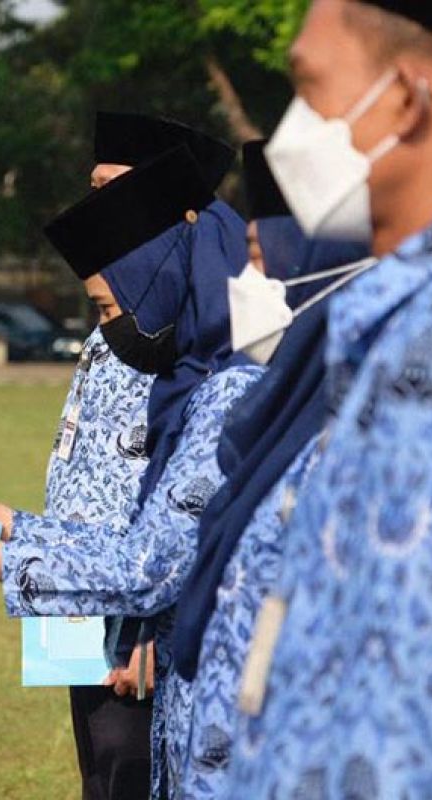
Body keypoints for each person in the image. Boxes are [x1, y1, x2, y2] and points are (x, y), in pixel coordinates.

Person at [219, 3, 432, 797]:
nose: (294, 129)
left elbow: (422, 757)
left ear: (405, 100)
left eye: (310, 85)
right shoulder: (422, 321)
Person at [0, 141, 262, 798]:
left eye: (108, 309)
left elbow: (145, 568)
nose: (111, 330)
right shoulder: (196, 384)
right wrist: (6, 522)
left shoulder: (227, 397)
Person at [167, 140, 370, 799]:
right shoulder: (270, 403)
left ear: (315, 259)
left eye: (257, 257)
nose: (242, 283)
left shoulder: (360, 417)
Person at [44, 112, 237, 800]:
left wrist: (152, 626)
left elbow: (188, 502)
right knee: (101, 777)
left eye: (111, 187)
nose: (96, 207)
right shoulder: (120, 327)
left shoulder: (193, 340)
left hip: (145, 619)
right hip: (79, 603)